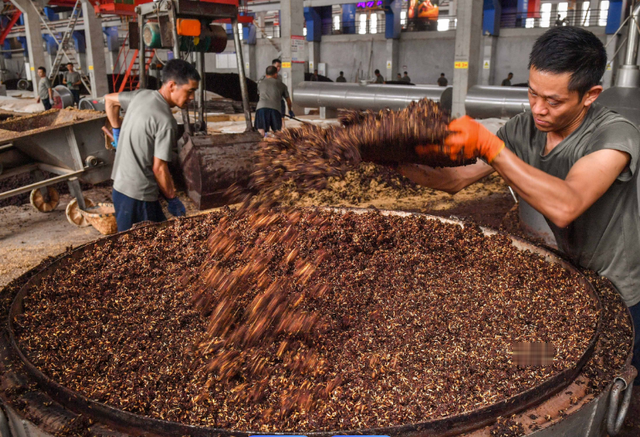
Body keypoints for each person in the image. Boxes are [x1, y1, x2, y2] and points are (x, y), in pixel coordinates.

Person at [398, 26, 640, 382]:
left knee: (612, 375)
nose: (538, 109)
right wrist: (392, 158)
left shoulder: (615, 135)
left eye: (554, 101)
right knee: (550, 362)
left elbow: (566, 205)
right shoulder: (522, 128)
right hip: (570, 273)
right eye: (532, 93)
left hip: (620, 288)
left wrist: (491, 148)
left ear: (590, 95)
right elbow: (455, 180)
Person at [104, 59, 198, 232]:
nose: (192, 97)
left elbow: (109, 100)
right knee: (139, 249)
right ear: (172, 85)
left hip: (120, 188)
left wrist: (116, 129)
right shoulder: (165, 120)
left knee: (159, 236)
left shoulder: (141, 95)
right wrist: (172, 199)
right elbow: (159, 169)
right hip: (139, 196)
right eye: (190, 91)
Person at [255, 65, 294, 136]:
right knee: (277, 132)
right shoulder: (282, 85)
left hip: (261, 109)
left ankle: (262, 145)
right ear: (276, 74)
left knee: (261, 131)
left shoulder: (260, 84)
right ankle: (276, 146)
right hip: (275, 109)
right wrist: (290, 110)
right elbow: (288, 100)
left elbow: (260, 95)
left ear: (266, 75)